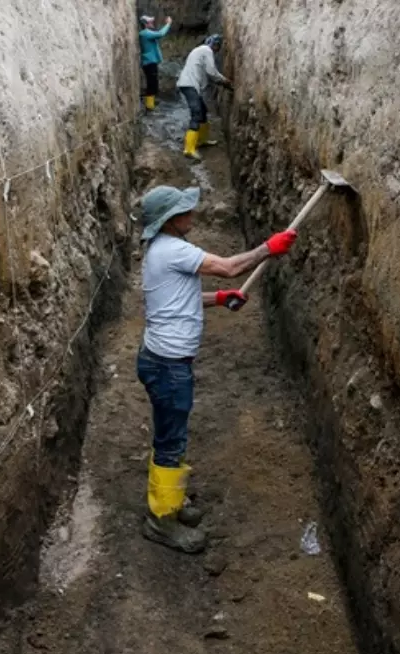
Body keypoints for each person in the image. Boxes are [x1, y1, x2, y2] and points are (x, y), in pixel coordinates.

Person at [136, 185, 298, 553]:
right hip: (167, 366)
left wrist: (220, 300)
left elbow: (175, 301)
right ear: (171, 221)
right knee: (170, 440)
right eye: (186, 211)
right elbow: (228, 267)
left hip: (161, 361)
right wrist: (267, 249)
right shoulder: (173, 249)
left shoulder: (160, 252)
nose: (193, 214)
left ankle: (171, 501)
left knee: (170, 435)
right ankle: (161, 520)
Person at [175, 34, 232, 161]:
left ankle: (202, 140)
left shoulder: (199, 50)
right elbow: (211, 71)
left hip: (190, 85)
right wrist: (224, 81)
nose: (218, 49)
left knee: (203, 111)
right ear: (215, 44)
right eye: (218, 46)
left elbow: (205, 76)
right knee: (196, 113)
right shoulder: (207, 51)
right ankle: (189, 149)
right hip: (189, 85)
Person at [138, 16, 172, 112]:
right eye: (150, 22)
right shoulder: (145, 33)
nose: (152, 23)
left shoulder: (146, 33)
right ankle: (149, 106)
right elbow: (161, 33)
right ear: (145, 24)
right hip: (149, 62)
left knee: (153, 83)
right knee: (151, 84)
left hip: (150, 62)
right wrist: (168, 24)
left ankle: (150, 103)